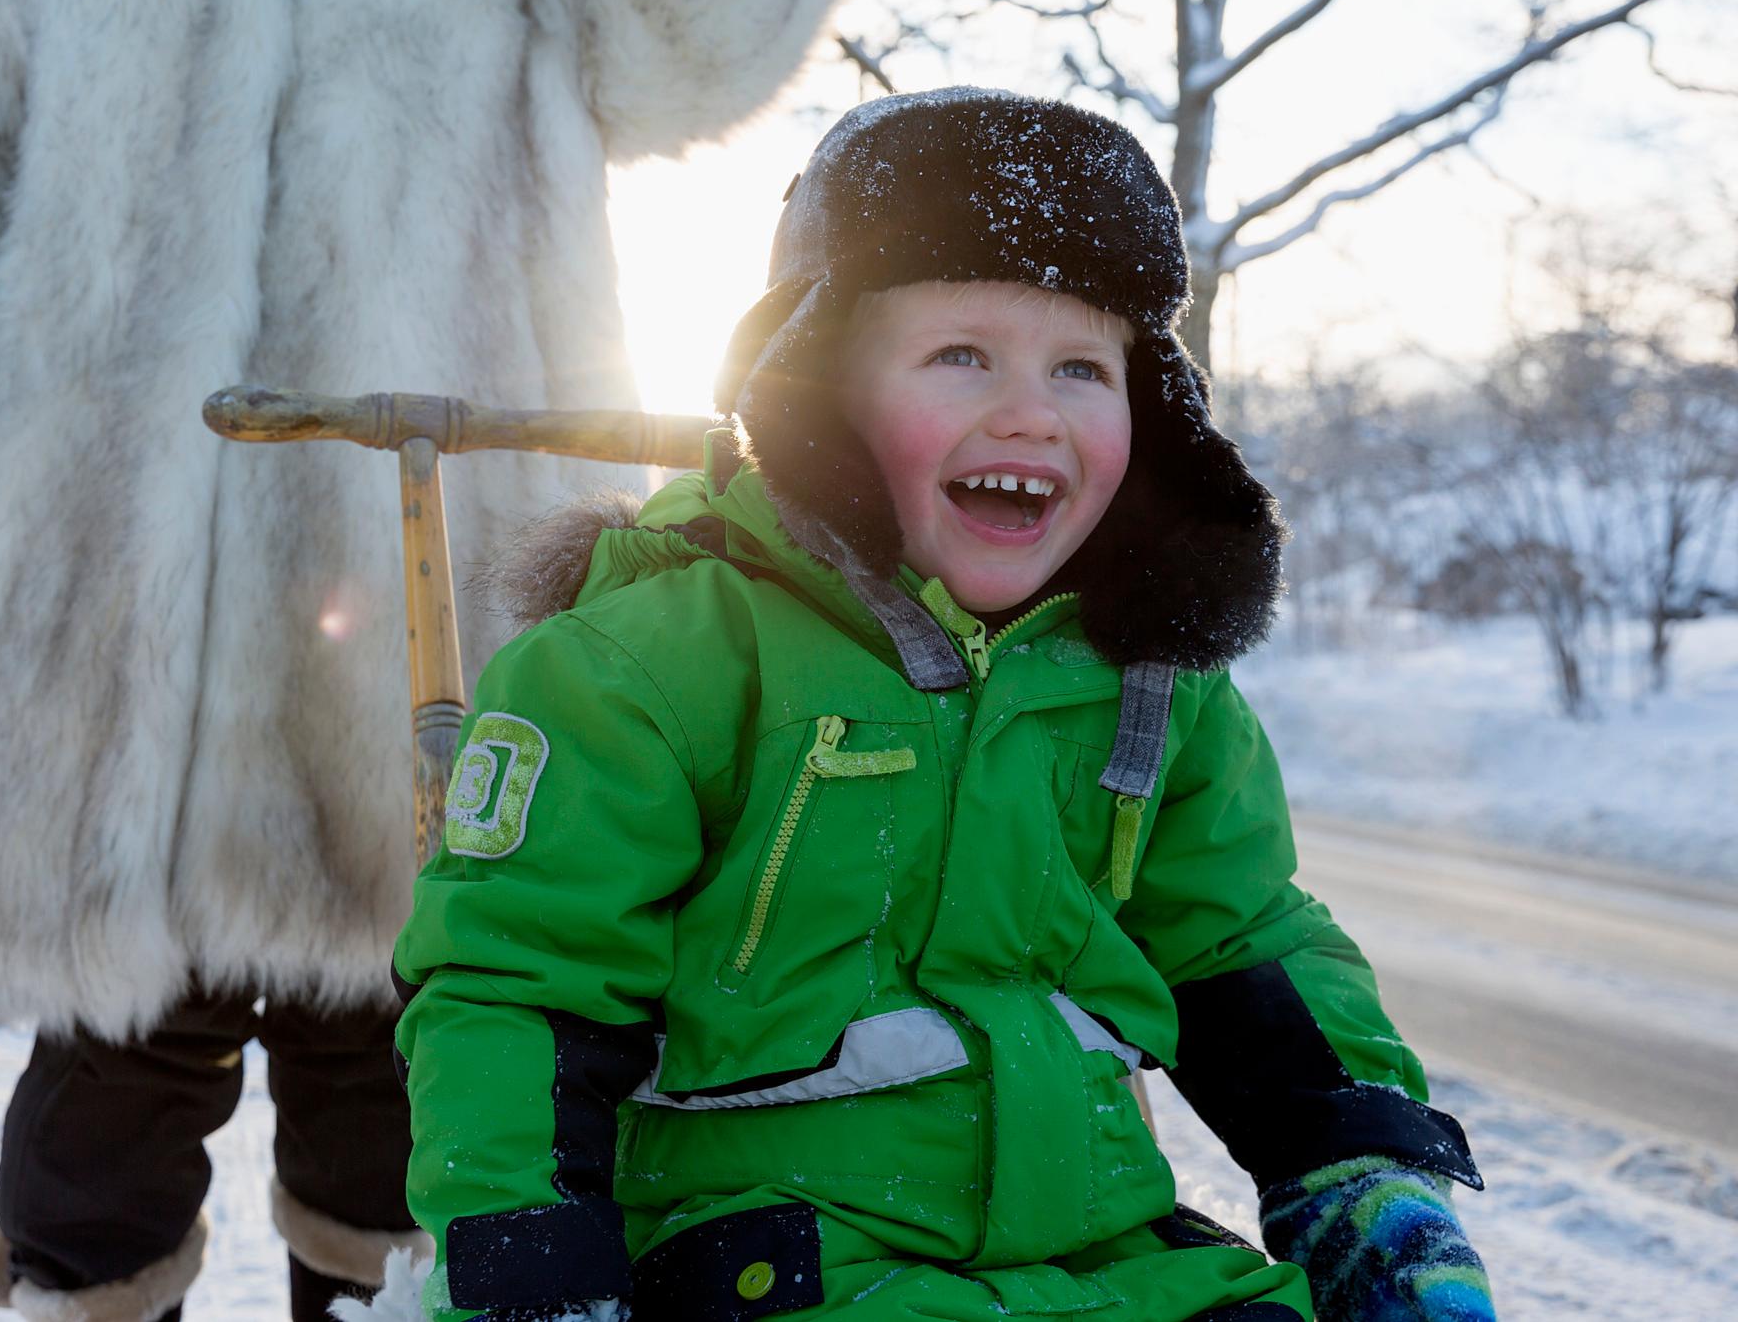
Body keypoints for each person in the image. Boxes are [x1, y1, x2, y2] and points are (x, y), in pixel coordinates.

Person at [0, 0, 843, 1315]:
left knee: (420, 1095)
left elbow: (702, 49)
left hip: (423, 601)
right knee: (92, 1123)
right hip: (120, 602)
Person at [382, 90, 1495, 1322]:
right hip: (760, 1263)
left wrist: (1357, 1167)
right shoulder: (651, 666)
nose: (1029, 411)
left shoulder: (1145, 685)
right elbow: (520, 986)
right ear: (820, 394)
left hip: (1099, 1256)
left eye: (1082, 366)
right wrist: (527, 1270)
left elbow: (1242, 946)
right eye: (959, 355)